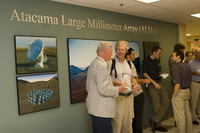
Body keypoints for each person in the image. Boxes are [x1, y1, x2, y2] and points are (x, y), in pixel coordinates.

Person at [85, 41, 127, 133]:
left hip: (96, 109)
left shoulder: (94, 63)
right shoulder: (100, 65)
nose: (112, 54)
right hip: (101, 110)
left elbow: (96, 84)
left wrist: (116, 83)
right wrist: (119, 89)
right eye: (111, 52)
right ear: (105, 51)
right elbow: (103, 89)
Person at [107, 40, 140, 133]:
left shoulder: (130, 63)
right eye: (118, 49)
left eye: (122, 49)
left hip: (129, 98)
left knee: (128, 123)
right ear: (115, 50)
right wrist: (118, 83)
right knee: (117, 124)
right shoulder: (110, 63)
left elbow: (133, 77)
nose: (120, 51)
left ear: (126, 51)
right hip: (118, 98)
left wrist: (136, 84)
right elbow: (106, 80)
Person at [142, 46, 170, 133]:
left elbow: (154, 72)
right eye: (159, 53)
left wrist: (160, 73)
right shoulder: (146, 61)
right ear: (154, 52)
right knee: (156, 106)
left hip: (159, 82)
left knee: (167, 101)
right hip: (152, 85)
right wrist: (154, 83)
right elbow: (145, 74)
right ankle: (158, 126)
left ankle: (153, 120)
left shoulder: (156, 61)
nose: (160, 55)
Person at [125, 47, 150, 133]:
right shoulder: (129, 64)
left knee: (135, 119)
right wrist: (144, 80)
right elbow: (135, 80)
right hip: (134, 95)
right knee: (136, 119)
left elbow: (133, 80)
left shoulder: (128, 64)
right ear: (127, 56)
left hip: (136, 95)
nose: (134, 56)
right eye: (133, 54)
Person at [171, 50, 192, 133]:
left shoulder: (176, 67)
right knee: (187, 113)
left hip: (180, 92)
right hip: (187, 91)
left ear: (178, 57)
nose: (172, 57)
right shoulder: (186, 66)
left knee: (180, 116)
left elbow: (177, 84)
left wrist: (174, 96)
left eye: (173, 56)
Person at [188, 49, 200, 125]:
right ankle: (193, 117)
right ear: (195, 54)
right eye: (198, 52)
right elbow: (188, 73)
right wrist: (194, 73)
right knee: (194, 101)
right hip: (195, 82)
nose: (199, 54)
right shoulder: (190, 62)